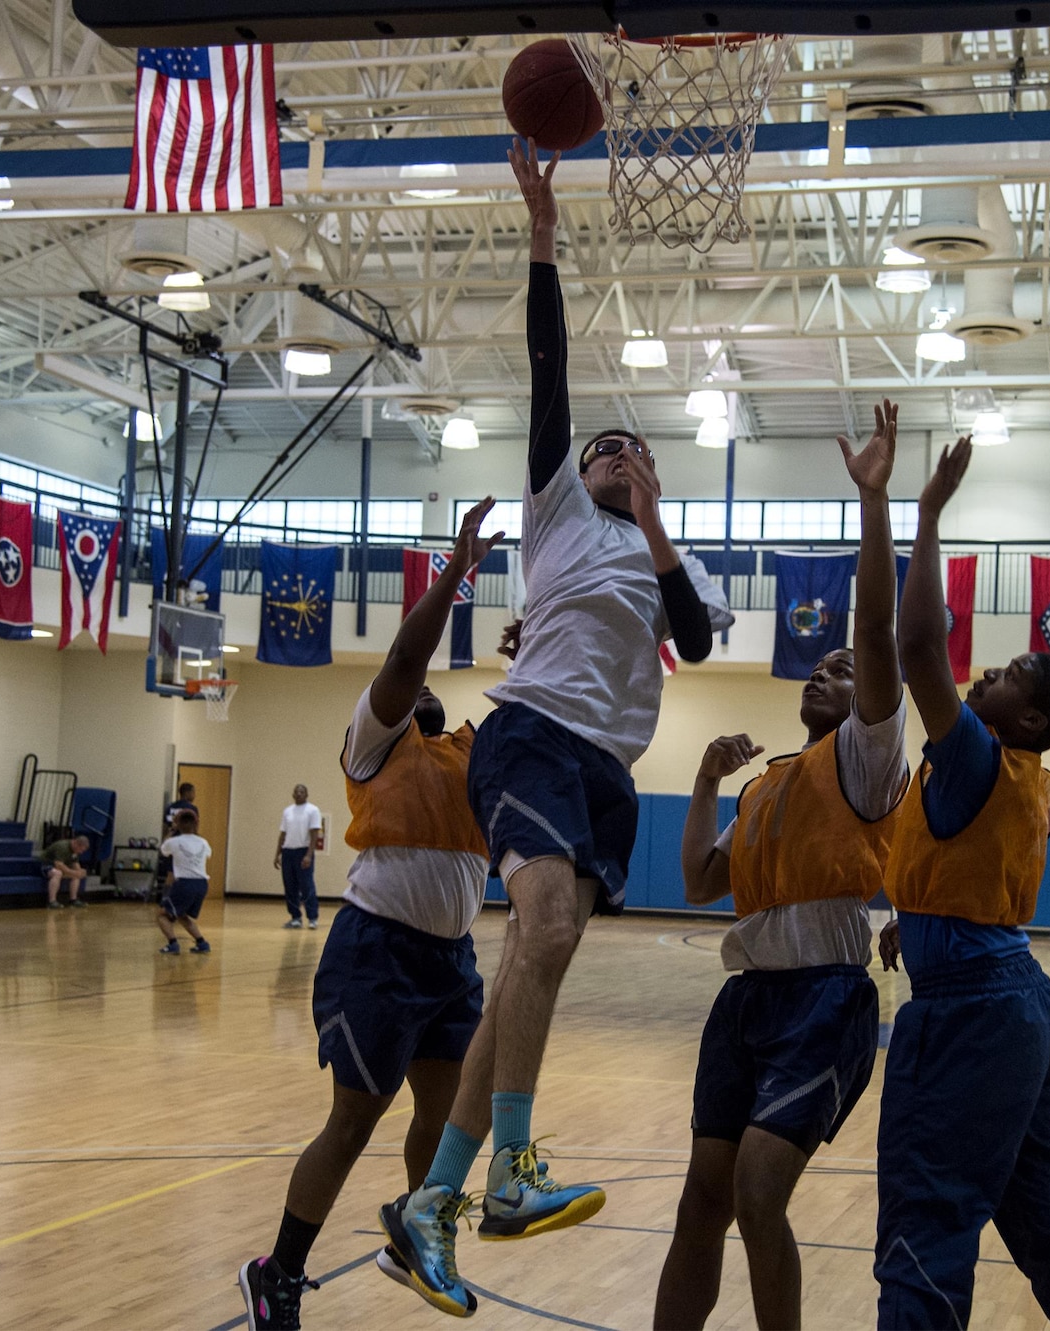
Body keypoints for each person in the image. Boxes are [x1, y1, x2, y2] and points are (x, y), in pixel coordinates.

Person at [379, 137, 733, 1320]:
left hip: (607, 773)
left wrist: (658, 516)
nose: (609, 452)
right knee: (537, 924)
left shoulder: (664, 558)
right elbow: (547, 367)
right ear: (572, 476)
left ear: (653, 479)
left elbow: (694, 632)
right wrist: (540, 228)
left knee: (539, 956)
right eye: (598, 451)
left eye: (630, 452)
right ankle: (516, 1171)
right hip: (530, 734)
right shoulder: (555, 523)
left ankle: (433, 1197)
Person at [872, 436, 1050, 1331]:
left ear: (1027, 716)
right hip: (1022, 1000)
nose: (985, 669)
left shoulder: (984, 756)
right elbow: (975, 874)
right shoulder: (1029, 781)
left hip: (970, 1014)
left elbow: (915, 646)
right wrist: (918, 916)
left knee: (927, 1219)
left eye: (1008, 673)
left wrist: (927, 513)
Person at [654, 401, 909, 1331]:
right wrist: (702, 779)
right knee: (700, 1199)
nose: (826, 674)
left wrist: (874, 503)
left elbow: (879, 635)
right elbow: (697, 882)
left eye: (840, 674)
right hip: (747, 1002)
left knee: (761, 1190)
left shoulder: (864, 760)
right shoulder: (766, 785)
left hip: (824, 999)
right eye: (821, 667)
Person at [239, 502, 501, 1330]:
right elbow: (403, 653)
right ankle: (277, 1271)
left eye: (432, 682)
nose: (422, 682)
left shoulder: (472, 749)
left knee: (453, 1113)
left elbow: (544, 725)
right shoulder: (374, 744)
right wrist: (457, 571)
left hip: (450, 961)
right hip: (377, 951)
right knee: (354, 1121)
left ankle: (416, 1239)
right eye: (411, 679)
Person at [156, 811, 212, 955]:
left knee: (162, 915)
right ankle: (202, 943)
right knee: (181, 915)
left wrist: (171, 831)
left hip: (185, 884)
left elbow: (163, 850)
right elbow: (208, 855)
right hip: (202, 884)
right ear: (196, 823)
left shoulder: (173, 842)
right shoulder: (203, 842)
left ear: (178, 823)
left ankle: (173, 944)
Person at [276, 785, 325, 930]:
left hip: (303, 851)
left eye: (302, 792)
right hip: (288, 852)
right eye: (296, 792)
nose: (299, 794)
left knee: (306, 885)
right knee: (290, 886)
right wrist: (277, 854)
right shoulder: (287, 811)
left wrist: (309, 855)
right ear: (293, 794)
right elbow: (283, 834)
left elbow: (315, 834)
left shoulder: (313, 810)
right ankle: (295, 917)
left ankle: (312, 918)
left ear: (307, 794)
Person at [39, 834, 90, 909]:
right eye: (81, 849)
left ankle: (73, 900)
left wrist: (80, 871)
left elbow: (75, 863)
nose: (81, 852)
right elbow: (58, 864)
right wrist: (73, 872)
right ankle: (52, 901)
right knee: (57, 873)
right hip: (46, 865)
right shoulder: (62, 847)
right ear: (76, 844)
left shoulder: (75, 851)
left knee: (76, 875)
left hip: (62, 866)